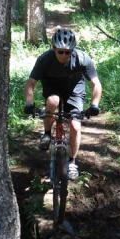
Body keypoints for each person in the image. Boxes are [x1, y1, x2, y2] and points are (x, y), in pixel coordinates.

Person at [24, 27, 102, 181]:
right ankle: (47, 134)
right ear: (53, 48)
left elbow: (96, 83)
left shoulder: (81, 58)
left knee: (75, 125)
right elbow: (30, 83)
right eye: (60, 51)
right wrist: (29, 103)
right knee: (53, 101)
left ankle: (72, 162)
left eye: (68, 52)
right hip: (52, 86)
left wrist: (94, 105)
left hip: (74, 89)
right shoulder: (44, 59)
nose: (64, 55)